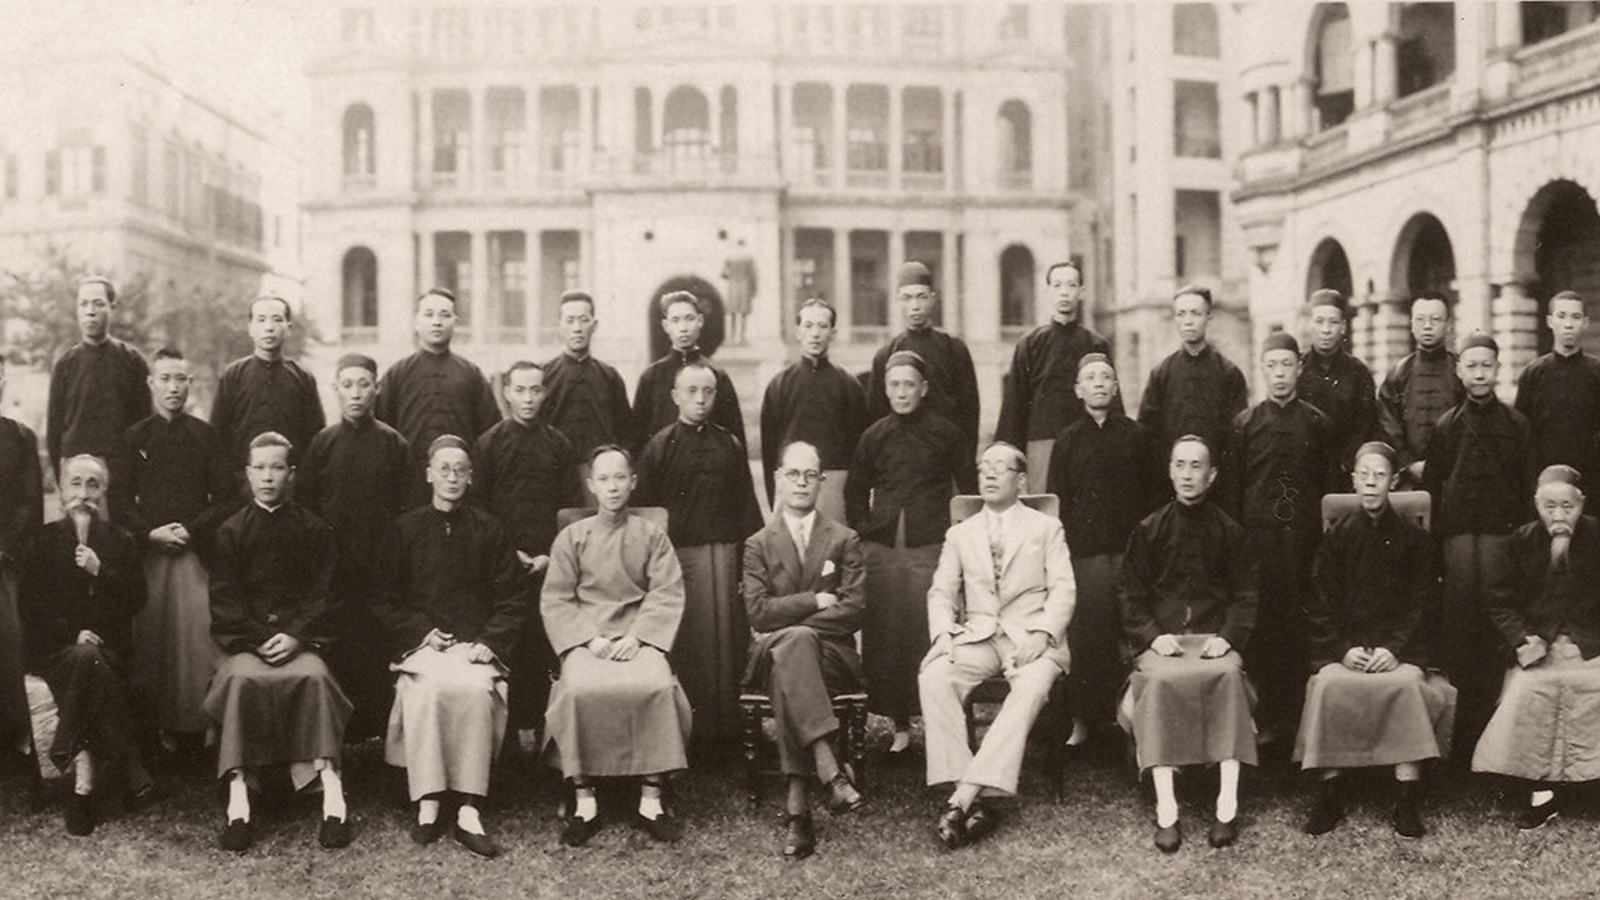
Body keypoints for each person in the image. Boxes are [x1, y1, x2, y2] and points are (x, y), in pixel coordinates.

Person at [372, 436, 531, 858]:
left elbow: (512, 598)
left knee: (476, 691)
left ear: (471, 477)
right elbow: (383, 598)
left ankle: (469, 806)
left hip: (475, 647)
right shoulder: (404, 530)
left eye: (460, 470)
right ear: (428, 474)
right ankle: (428, 799)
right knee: (427, 690)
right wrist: (421, 632)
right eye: (443, 469)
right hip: (424, 647)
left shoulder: (490, 529)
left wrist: (490, 641)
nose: (452, 477)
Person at [202, 432, 352, 853]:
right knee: (240, 682)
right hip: (249, 646)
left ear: (292, 473)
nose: (268, 477)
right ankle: (239, 800)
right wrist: (261, 639)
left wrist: (297, 636)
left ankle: (333, 797)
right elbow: (225, 602)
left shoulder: (314, 529)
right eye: (260, 468)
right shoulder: (230, 531)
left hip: (300, 643)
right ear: (248, 474)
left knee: (315, 679)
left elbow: (325, 596)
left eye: (277, 467)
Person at [1296, 441, 1454, 839]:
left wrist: (1394, 649)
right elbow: (1321, 602)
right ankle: (1330, 793)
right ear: (1352, 480)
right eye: (1363, 475)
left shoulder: (1415, 539)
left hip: (1396, 650)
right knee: (1328, 685)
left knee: (1407, 685)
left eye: (1379, 475)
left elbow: (1423, 603)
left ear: (1394, 482)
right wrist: (1343, 650)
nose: (1370, 483)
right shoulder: (1336, 538)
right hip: (1348, 650)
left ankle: (1406, 796)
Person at [920, 442, 1074, 850]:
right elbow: (941, 591)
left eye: (1000, 468)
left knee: (1029, 689)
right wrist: (943, 634)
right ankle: (974, 797)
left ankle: (962, 798)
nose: (988, 474)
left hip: (1032, 637)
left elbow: (1064, 590)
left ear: (1021, 481)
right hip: (980, 635)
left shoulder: (1046, 528)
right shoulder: (961, 533)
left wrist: (1043, 634)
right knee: (935, 676)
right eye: (983, 467)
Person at [541, 445, 693, 847]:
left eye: (620, 477)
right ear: (591, 485)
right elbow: (556, 598)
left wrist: (638, 637)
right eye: (604, 479)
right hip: (586, 640)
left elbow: (667, 591)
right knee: (578, 689)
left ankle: (651, 799)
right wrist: (588, 639)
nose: (612, 487)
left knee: (657, 686)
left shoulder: (651, 535)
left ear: (633, 482)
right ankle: (584, 799)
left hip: (638, 637)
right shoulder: (572, 537)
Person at [1119, 435, 1257, 853]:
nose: (1187, 474)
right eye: (1180, 465)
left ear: (1211, 476)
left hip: (1214, 641)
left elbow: (1245, 595)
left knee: (1228, 677)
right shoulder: (1149, 529)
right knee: (1160, 683)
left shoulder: (1230, 531)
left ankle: (1226, 806)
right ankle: (1167, 810)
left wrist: (1227, 638)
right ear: (1170, 471)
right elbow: (1130, 594)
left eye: (1197, 466)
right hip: (1164, 643)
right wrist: (1152, 635)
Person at [741, 440, 867, 860]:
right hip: (774, 655)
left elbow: (853, 610)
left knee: (792, 651)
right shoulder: (758, 543)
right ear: (778, 479)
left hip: (831, 656)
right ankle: (829, 771)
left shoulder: (844, 538)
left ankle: (798, 808)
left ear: (821, 481)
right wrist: (814, 600)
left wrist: (790, 625)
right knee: (792, 650)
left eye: (810, 475)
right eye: (793, 474)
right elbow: (758, 612)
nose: (801, 482)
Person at [847, 350, 977, 755]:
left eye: (909, 385)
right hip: (884, 552)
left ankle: (939, 723)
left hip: (930, 546)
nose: (902, 393)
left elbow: (968, 488)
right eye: (894, 385)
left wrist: (960, 539)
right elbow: (855, 489)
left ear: (924, 388)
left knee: (929, 630)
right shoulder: (874, 435)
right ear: (885, 390)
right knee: (887, 635)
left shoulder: (947, 433)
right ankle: (899, 723)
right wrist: (865, 530)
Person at [19, 454, 150, 836]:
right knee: (87, 658)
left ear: (103, 490)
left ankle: (82, 778)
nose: (83, 492)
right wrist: (72, 633)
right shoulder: (42, 540)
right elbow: (30, 607)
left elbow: (137, 600)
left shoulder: (120, 540)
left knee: (91, 660)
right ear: (62, 490)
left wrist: (101, 571)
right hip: (55, 648)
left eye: (93, 484)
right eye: (75, 483)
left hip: (109, 648)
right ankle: (126, 760)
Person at [636, 362, 763, 747]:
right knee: (691, 645)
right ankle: (690, 734)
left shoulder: (730, 444)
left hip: (724, 559)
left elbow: (747, 508)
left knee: (729, 644)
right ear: (676, 396)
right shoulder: (660, 446)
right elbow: (646, 516)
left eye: (708, 391)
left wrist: (748, 566)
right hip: (681, 563)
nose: (700, 399)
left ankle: (732, 731)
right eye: (691, 391)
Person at [115, 348, 234, 750]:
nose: (173, 387)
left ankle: (198, 725)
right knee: (152, 640)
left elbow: (226, 498)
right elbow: (118, 501)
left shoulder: (206, 436)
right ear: (151, 384)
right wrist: (149, 533)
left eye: (180, 379)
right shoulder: (135, 437)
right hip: (149, 555)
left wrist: (191, 531)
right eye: (164, 378)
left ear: (190, 383)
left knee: (196, 641)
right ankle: (155, 729)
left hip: (194, 553)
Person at [1422, 333, 1532, 757]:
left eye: (1487, 365)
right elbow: (1433, 491)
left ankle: (1497, 738)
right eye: (1472, 365)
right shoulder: (1445, 426)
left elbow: (1527, 490)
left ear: (1498, 369)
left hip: (1502, 544)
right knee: (1460, 630)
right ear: (1459, 370)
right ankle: (1461, 740)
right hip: (1458, 546)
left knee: (1497, 631)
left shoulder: (1517, 425)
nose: (1480, 373)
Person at [1223, 331, 1335, 745]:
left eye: (1287, 364)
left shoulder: (1319, 423)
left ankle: (1303, 724)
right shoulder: (1244, 424)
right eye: (1272, 366)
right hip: (1260, 547)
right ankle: (1267, 721)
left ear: (1299, 368)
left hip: (1304, 546)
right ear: (1262, 369)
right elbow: (1233, 493)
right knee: (1263, 629)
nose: (1280, 374)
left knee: (1302, 627)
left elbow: (1329, 489)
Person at [1474, 465, 1600, 829]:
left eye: (1567, 507)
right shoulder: (1520, 541)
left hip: (1591, 646)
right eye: (1549, 507)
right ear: (1536, 504)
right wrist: (1522, 638)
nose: (1558, 516)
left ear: (1582, 504)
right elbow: (1499, 603)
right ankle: (1542, 794)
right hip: (1540, 647)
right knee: (1529, 689)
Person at [297, 354, 413, 742]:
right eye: (347, 385)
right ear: (336, 389)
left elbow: (408, 510)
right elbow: (308, 508)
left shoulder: (394, 443)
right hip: (336, 570)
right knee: (339, 645)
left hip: (381, 568)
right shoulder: (323, 443)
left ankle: (380, 729)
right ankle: (340, 729)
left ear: (376, 389)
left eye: (364, 384)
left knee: (378, 645)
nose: (356, 393)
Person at [1046, 353, 1158, 746]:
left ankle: (1131, 718)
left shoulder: (1137, 436)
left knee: (1131, 634)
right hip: (1085, 556)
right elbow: (1058, 501)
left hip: (1129, 555)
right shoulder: (1067, 440)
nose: (1098, 383)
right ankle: (1083, 719)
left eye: (1106, 377)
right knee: (1088, 636)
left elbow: (1153, 499)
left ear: (1116, 387)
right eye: (1090, 378)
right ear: (1078, 390)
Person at [473, 360, 581, 737]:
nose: (528, 398)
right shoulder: (489, 443)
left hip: (550, 562)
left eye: (535, 390)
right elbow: (479, 509)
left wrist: (552, 554)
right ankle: (506, 734)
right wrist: (509, 554)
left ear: (545, 393)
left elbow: (570, 508)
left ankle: (543, 729)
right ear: (506, 393)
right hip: (503, 564)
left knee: (543, 645)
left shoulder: (559, 444)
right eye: (520, 390)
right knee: (508, 643)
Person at [374, 288, 502, 504]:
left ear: (455, 321)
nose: (436, 322)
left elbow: (489, 434)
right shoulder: (398, 373)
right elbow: (382, 431)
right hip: (410, 482)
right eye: (429, 314)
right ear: (416, 322)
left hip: (458, 482)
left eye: (444, 315)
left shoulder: (470, 373)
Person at [995, 261, 1114, 490]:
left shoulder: (1096, 345)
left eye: (1071, 285)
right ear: (1048, 291)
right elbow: (1013, 409)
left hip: (1088, 445)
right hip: (1041, 448)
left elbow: (1111, 403)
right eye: (1057, 285)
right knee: (1044, 506)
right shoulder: (1030, 345)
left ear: (1081, 292)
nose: (1064, 292)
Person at [759, 298, 868, 522]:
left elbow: (858, 450)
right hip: (790, 485)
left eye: (822, 326)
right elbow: (769, 447)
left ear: (833, 333)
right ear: (798, 332)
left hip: (834, 488)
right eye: (808, 326)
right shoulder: (780, 384)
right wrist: (776, 494)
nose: (815, 334)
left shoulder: (848, 385)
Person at [866, 262, 980, 463]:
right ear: (897, 301)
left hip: (945, 456)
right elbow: (877, 415)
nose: (915, 306)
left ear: (933, 299)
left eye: (921, 297)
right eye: (907, 298)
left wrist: (965, 462)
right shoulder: (886, 354)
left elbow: (970, 412)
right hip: (900, 458)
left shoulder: (954, 349)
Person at [209, 295, 325, 483]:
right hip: (242, 484)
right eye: (261, 320)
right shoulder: (233, 376)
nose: (269, 327)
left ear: (288, 328)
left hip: (291, 485)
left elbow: (316, 439)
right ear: (250, 328)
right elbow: (217, 436)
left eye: (277, 319)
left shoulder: (303, 378)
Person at [46, 275, 151, 475]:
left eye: (98, 304)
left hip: (121, 475)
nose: (90, 311)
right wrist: (63, 480)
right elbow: (54, 433)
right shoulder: (65, 365)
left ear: (112, 308)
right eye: (83, 304)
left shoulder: (133, 362)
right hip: (77, 475)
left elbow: (146, 428)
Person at [1137, 285, 1248, 462]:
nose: (1188, 321)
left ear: (1208, 317)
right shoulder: (1161, 374)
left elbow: (1238, 434)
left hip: (1217, 472)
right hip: (1171, 473)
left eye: (1195, 313)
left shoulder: (1228, 373)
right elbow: (1147, 432)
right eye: (1181, 314)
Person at [631, 290, 746, 453]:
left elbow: (735, 437)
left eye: (689, 318)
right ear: (665, 326)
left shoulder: (716, 375)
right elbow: (638, 439)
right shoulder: (651, 377)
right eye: (675, 320)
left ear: (700, 321)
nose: (683, 328)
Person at [541, 291, 632, 483]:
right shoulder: (544, 376)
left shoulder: (610, 377)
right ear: (560, 326)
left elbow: (625, 432)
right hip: (555, 473)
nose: (577, 328)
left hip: (600, 475)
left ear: (594, 325)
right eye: (570, 321)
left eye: (584, 320)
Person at [0, 357, 43, 755]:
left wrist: (6, 549)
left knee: (9, 639)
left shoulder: (20, 437)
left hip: (6, 561)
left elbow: (30, 505)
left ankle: (14, 733)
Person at [1377, 296, 1464, 487]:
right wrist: (1408, 464)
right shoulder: (1398, 373)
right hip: (1409, 479)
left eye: (1435, 319)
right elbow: (1388, 424)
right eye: (1420, 319)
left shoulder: (1461, 371)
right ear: (1411, 325)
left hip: (1455, 476)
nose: (1427, 326)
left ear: (1448, 325)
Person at [1515, 290, 1600, 480]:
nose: (1568, 324)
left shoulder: (1597, 373)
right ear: (1550, 321)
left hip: (1592, 478)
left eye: (1576, 317)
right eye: (1561, 316)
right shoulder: (1533, 373)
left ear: (1585, 322)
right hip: (1545, 477)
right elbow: (1522, 432)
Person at [1296, 289, 1379, 479]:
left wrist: (1345, 464)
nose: (1326, 330)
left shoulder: (1359, 372)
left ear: (1343, 327)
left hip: (1346, 472)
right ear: (1309, 324)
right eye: (1319, 321)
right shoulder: (1298, 370)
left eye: (1333, 322)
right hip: (1305, 470)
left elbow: (1367, 426)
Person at [722, 241, 756, 346]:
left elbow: (723, 274)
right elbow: (753, 275)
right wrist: (754, 289)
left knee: (732, 312)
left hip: (733, 286)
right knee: (743, 313)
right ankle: (741, 337)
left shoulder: (730, 257)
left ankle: (731, 337)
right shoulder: (748, 258)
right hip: (744, 286)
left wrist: (731, 275)